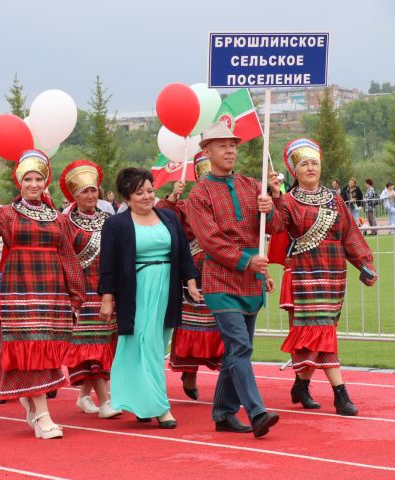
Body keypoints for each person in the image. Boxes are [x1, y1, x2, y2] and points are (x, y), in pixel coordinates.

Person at [0, 149, 86, 439]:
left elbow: (68, 256)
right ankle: (42, 415)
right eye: (27, 179)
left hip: (53, 293)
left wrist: (75, 295)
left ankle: (33, 404)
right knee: (28, 350)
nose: (33, 184)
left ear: (46, 182)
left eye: (38, 179)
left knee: (44, 352)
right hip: (20, 291)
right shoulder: (6, 213)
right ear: (20, 182)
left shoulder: (57, 217)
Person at [187, 122, 283, 438]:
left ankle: (224, 413)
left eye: (233, 145)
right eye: (222, 145)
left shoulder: (252, 185)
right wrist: (247, 261)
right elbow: (210, 240)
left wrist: (271, 207)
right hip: (220, 281)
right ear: (207, 151)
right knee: (240, 346)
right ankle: (256, 412)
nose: (230, 150)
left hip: (251, 281)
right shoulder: (198, 194)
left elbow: (275, 226)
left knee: (236, 350)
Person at [277, 139, 377, 416]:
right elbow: (274, 226)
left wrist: (364, 264)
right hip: (304, 275)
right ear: (294, 170)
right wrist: (273, 197)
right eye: (304, 164)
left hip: (334, 276)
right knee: (320, 333)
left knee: (318, 335)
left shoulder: (336, 201)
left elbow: (350, 237)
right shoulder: (287, 202)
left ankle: (301, 385)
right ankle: (340, 393)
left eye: (314, 163)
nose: (310, 168)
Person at [99, 167, 200, 429]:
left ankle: (142, 402)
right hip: (137, 290)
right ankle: (160, 406)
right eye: (139, 192)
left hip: (167, 288)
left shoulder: (168, 217)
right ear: (126, 197)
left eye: (150, 190)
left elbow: (184, 254)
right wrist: (107, 300)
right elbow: (108, 265)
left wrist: (190, 282)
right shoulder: (116, 224)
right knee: (146, 346)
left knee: (156, 344)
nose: (146, 196)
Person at [155, 154, 224, 401]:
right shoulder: (186, 205)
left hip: (222, 269)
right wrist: (174, 196)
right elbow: (161, 214)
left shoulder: (228, 204)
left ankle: (227, 381)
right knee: (190, 326)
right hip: (194, 273)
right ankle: (189, 372)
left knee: (222, 325)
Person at [59, 160, 121, 419]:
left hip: (106, 290)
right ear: (74, 194)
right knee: (90, 346)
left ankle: (84, 395)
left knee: (103, 345)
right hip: (80, 294)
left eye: (93, 190)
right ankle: (106, 401)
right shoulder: (64, 222)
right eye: (84, 191)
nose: (90, 195)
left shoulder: (109, 219)